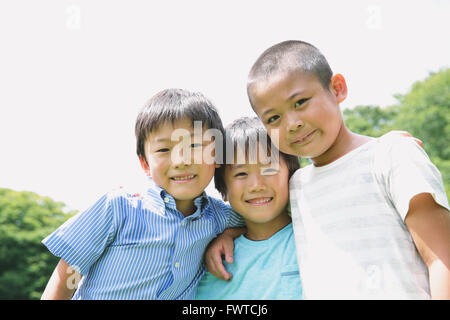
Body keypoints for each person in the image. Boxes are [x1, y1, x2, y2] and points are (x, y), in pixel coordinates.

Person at [208, 40, 450, 299]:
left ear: (337, 89)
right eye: (274, 118)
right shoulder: (297, 184)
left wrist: (390, 146)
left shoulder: (391, 155)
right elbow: (259, 210)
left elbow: (442, 259)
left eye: (300, 102)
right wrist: (230, 233)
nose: (292, 124)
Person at [41, 88, 244, 300]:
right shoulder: (119, 207)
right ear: (145, 163)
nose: (181, 160)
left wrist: (228, 234)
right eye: (164, 150)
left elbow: (258, 221)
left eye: (193, 145)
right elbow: (67, 277)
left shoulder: (221, 217)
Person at [195, 117, 302, 299]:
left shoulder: (312, 235)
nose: (256, 185)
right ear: (224, 190)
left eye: (269, 169)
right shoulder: (214, 262)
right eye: (241, 173)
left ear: (291, 175)